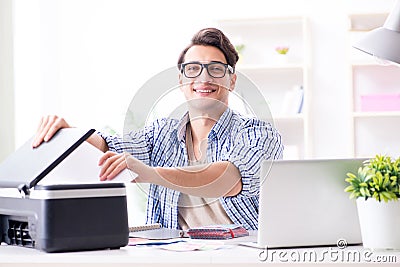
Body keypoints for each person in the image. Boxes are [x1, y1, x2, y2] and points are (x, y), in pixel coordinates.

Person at [33, 28, 283, 230]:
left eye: (216, 69)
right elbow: (109, 148)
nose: (204, 79)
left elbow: (228, 180)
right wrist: (71, 134)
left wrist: (151, 173)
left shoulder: (259, 134)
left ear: (232, 80)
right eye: (193, 69)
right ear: (181, 80)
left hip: (240, 256)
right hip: (172, 255)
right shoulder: (161, 133)